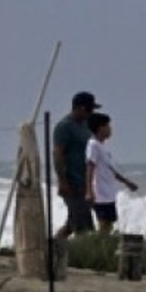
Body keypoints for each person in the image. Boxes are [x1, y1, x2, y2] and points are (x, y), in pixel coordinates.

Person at [53, 91, 100, 239]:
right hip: (72, 182)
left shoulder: (85, 126)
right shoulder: (64, 126)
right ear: (79, 108)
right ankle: (85, 255)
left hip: (85, 181)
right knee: (84, 225)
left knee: (73, 222)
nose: (91, 113)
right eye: (89, 110)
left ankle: (53, 247)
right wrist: (62, 181)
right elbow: (58, 154)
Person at [85, 112, 138, 234]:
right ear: (100, 127)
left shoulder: (102, 146)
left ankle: (103, 246)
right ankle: (98, 248)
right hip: (99, 193)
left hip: (108, 192)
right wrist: (89, 191)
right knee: (104, 224)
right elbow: (90, 166)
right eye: (108, 126)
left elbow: (111, 171)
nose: (110, 129)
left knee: (109, 224)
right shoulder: (93, 145)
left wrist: (127, 182)